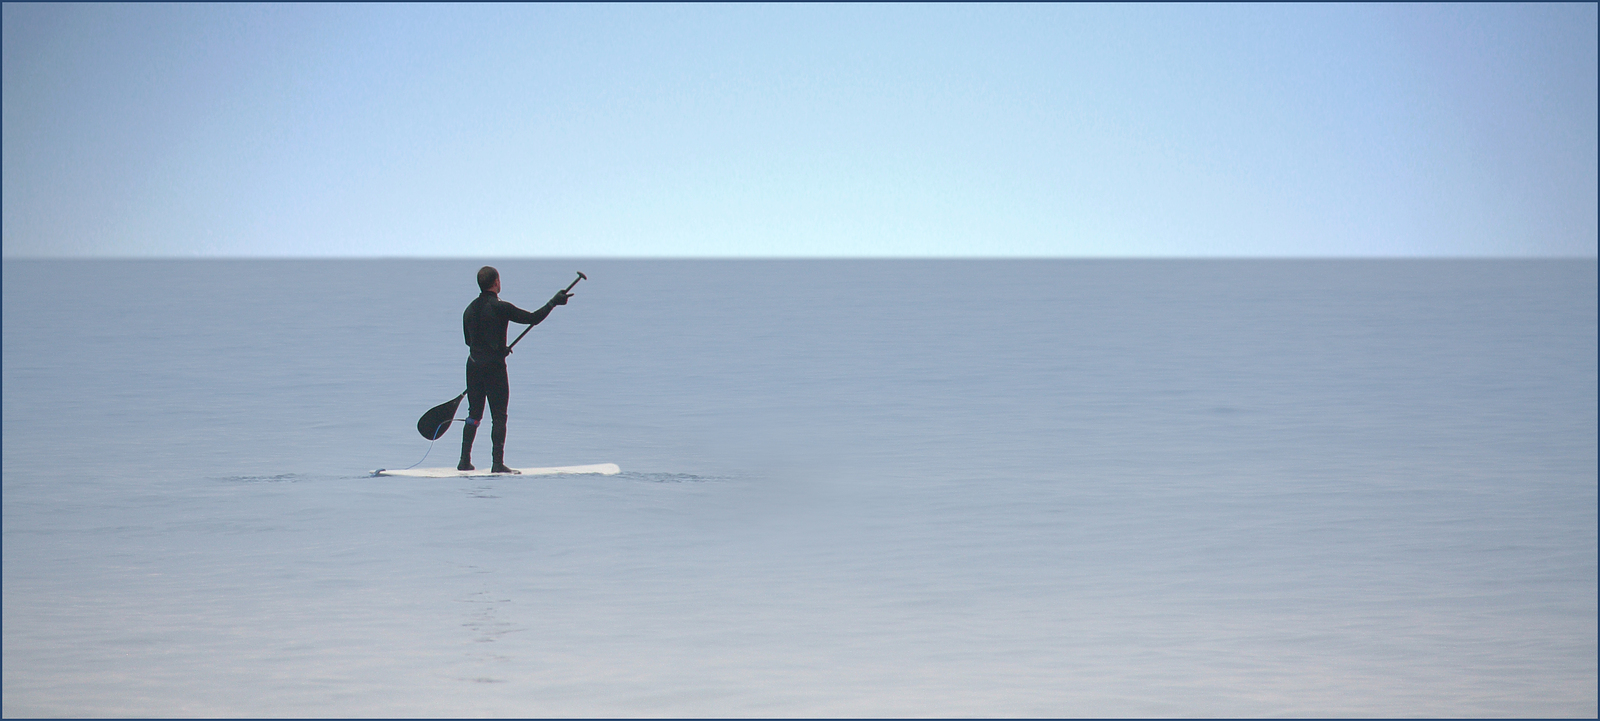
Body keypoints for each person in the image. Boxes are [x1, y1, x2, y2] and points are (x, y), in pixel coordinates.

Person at [459, 266, 571, 473]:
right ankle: (497, 464)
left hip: (473, 366)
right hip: (494, 368)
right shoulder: (500, 307)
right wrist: (553, 302)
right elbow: (533, 318)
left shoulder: (468, 309)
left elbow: (469, 341)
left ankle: (464, 461)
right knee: (499, 416)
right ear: (496, 282)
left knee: (474, 414)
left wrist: (497, 348)